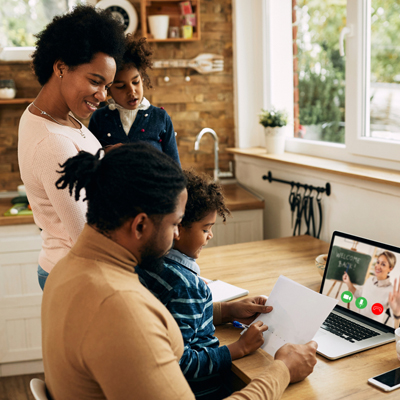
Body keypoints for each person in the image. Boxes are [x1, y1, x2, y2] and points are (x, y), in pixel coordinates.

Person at [41, 142, 318, 400]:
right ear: (140, 226)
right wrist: (282, 370)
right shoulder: (121, 309)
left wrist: (224, 311)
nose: (176, 233)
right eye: (175, 223)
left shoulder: (66, 269)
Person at [17, 5, 126, 290]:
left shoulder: (50, 117)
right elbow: (85, 234)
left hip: (75, 269)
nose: (103, 96)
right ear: (61, 67)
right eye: (95, 81)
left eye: (108, 86)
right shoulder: (53, 141)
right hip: (77, 275)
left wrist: (104, 161)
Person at [136, 170, 268, 399]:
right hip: (200, 392)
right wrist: (239, 348)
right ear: (177, 228)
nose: (210, 236)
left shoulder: (149, 263)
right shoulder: (186, 286)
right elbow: (179, 361)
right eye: (205, 229)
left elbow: (175, 320)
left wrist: (228, 311)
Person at [89, 35, 180, 164]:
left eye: (135, 82)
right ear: (108, 88)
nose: (131, 91)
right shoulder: (99, 119)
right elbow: (89, 165)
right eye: (121, 86)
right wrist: (105, 154)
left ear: (142, 78)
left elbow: (175, 168)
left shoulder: (161, 118)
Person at [343, 251, 397, 325]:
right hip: (357, 321)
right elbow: (359, 296)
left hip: (373, 326)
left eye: (383, 264)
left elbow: (395, 317)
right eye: (378, 262)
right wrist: (348, 282)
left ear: (390, 268)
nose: (378, 266)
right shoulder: (369, 280)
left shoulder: (391, 290)